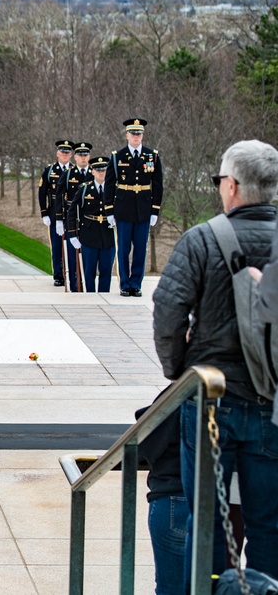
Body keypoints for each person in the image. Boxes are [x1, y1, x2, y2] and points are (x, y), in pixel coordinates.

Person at [152, 139, 278, 584]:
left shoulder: (202, 239)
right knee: (269, 527)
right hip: (273, 403)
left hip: (210, 401)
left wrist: (179, 372)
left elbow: (168, 316)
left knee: (205, 528)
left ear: (231, 185)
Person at [136, 387, 188, 595]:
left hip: (175, 495)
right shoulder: (249, 390)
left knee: (172, 588)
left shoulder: (186, 389)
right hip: (226, 502)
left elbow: (142, 443)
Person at [109, 118, 163, 297]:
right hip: (124, 209)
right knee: (123, 249)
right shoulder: (118, 156)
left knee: (140, 249)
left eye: (139, 134)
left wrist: (155, 210)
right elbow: (110, 185)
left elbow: (158, 184)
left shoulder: (152, 156)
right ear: (127, 135)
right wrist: (110, 210)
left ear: (142, 136)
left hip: (143, 209)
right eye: (133, 134)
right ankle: (124, 284)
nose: (136, 137)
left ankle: (136, 284)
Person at [67, 156, 117, 293]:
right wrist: (72, 234)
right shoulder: (84, 190)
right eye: (98, 170)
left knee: (106, 271)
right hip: (89, 235)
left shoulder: (114, 189)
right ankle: (90, 297)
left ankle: (103, 296)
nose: (102, 173)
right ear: (92, 172)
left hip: (108, 235)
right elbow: (72, 212)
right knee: (89, 272)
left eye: (104, 170)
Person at [56, 142, 95, 292]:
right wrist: (59, 218)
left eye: (86, 155)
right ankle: (73, 285)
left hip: (89, 220)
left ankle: (87, 284)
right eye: (80, 155)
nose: (83, 158)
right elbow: (59, 196)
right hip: (72, 219)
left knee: (88, 255)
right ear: (76, 157)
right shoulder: (68, 174)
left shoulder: (94, 172)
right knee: (72, 255)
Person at [39, 140, 74, 287]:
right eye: (62, 152)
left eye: (67, 152)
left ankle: (72, 273)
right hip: (54, 212)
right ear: (57, 153)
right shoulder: (50, 170)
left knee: (72, 245)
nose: (65, 155)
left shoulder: (74, 170)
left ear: (71, 154)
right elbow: (42, 192)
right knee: (57, 245)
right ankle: (58, 275)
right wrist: (44, 213)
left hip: (72, 211)